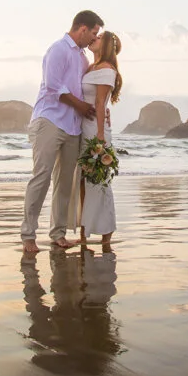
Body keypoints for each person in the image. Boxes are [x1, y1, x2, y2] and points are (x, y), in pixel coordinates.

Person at [21, 10, 104, 254]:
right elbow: (54, 87)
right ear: (82, 29)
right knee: (42, 177)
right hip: (49, 120)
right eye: (94, 33)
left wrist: (99, 111)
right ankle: (28, 236)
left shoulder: (82, 59)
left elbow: (86, 92)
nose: (93, 39)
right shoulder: (58, 49)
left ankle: (58, 234)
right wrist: (83, 107)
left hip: (72, 127)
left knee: (64, 182)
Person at [75, 31, 122, 245]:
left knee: (100, 180)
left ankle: (107, 232)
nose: (95, 37)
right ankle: (84, 232)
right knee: (84, 181)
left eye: (99, 37)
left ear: (105, 46)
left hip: (96, 130)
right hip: (83, 127)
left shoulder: (106, 69)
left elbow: (101, 103)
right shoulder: (91, 67)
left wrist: (101, 137)